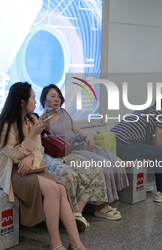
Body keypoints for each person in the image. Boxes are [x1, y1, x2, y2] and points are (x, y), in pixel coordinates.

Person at [0, 82, 86, 250]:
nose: (35, 102)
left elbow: (40, 148)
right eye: (33, 98)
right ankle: (55, 242)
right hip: (10, 172)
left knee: (61, 188)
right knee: (52, 189)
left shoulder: (33, 119)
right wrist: (33, 134)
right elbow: (14, 156)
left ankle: (76, 242)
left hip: (31, 167)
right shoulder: (3, 126)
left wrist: (32, 156)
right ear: (22, 102)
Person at [40, 84, 129, 223]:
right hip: (70, 150)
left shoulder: (64, 112)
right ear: (43, 98)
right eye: (52, 96)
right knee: (102, 165)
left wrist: (87, 136)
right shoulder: (43, 119)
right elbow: (51, 141)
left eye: (59, 96)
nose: (56, 99)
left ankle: (102, 202)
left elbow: (77, 129)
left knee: (115, 161)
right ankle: (100, 206)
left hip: (81, 144)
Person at [110, 99, 162, 203]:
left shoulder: (144, 111)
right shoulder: (161, 114)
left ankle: (140, 184)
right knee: (159, 153)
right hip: (123, 146)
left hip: (111, 144)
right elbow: (159, 144)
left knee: (148, 149)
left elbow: (146, 140)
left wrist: (161, 144)